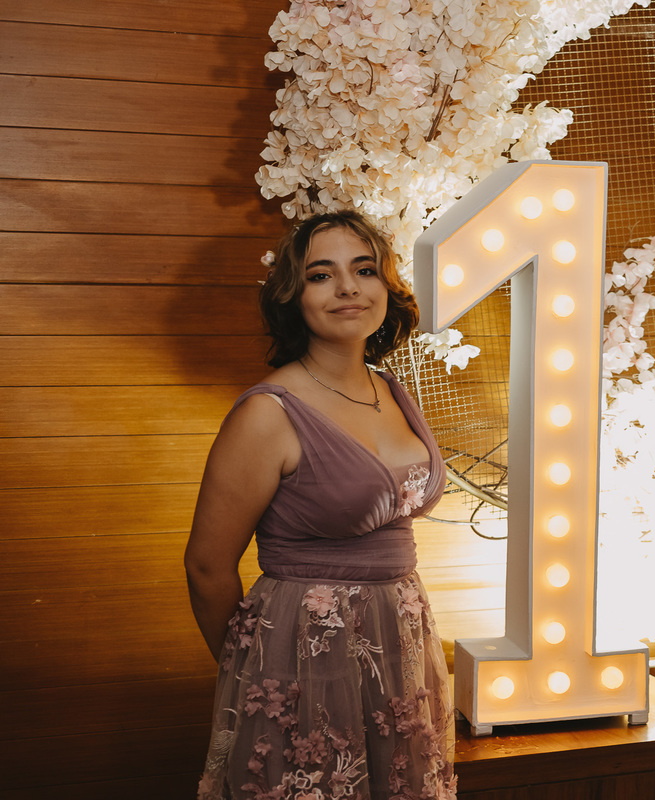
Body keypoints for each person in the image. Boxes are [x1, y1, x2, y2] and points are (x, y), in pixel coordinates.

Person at [185, 210, 456, 799]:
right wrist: (253, 672)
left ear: (386, 285)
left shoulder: (392, 389)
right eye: (321, 275)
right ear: (293, 295)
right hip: (302, 653)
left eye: (365, 269)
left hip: (401, 647)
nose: (348, 288)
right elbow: (206, 567)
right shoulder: (267, 413)